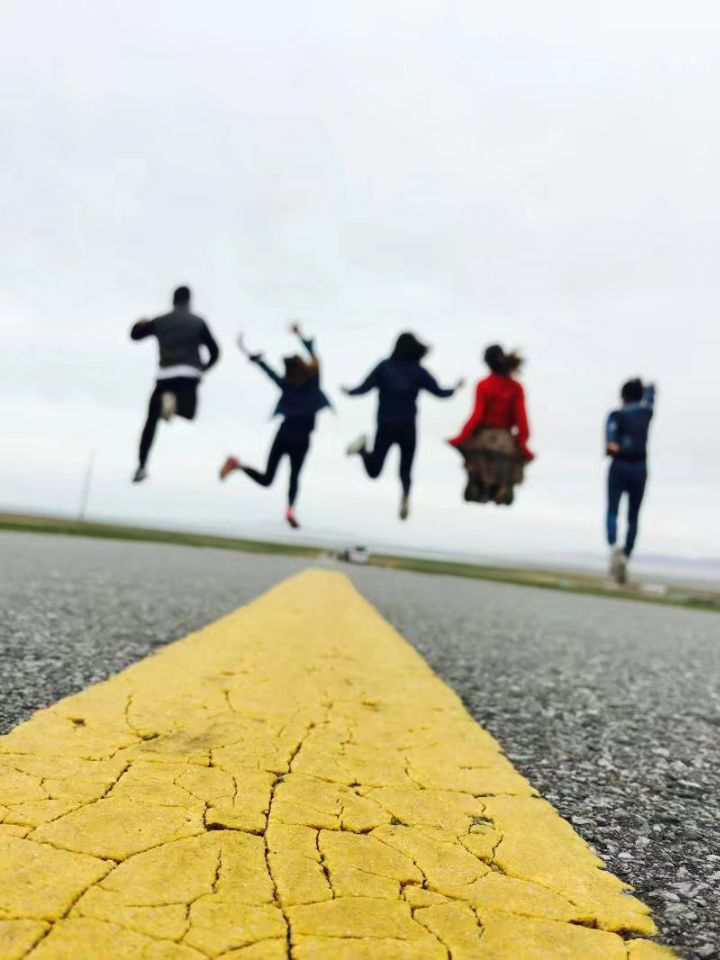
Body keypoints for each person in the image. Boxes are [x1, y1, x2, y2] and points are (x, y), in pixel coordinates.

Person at [219, 322, 330, 529]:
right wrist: (300, 336)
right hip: (301, 439)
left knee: (268, 479)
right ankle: (290, 509)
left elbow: (270, 373)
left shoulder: (288, 384)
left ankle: (238, 466)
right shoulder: (312, 383)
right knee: (293, 478)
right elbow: (315, 358)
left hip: (285, 435)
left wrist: (253, 357)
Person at [342, 332, 463, 521]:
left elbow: (364, 387)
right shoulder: (418, 371)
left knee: (374, 471)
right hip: (407, 427)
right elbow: (439, 392)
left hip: (386, 425)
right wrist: (455, 388)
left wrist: (350, 392)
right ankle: (405, 497)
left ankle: (363, 450)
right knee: (405, 471)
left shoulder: (384, 367)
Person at [130, 285, 220, 483]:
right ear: (189, 301)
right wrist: (203, 369)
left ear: (173, 301)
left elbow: (135, 336)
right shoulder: (198, 322)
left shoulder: (160, 321)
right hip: (189, 375)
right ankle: (170, 407)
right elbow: (215, 352)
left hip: (165, 376)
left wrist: (140, 323)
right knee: (189, 413)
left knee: (151, 420)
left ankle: (142, 465)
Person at [448, 344, 534, 505]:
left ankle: (476, 482)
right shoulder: (516, 388)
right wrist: (522, 442)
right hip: (505, 438)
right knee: (513, 462)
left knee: (471, 457)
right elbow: (522, 419)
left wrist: (462, 436)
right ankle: (504, 486)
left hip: (484, 435)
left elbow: (477, 415)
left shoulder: (483, 384)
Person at [605, 378, 656, 583]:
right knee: (633, 516)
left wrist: (614, 443)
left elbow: (610, 444)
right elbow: (651, 397)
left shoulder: (616, 415)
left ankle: (614, 548)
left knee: (612, 510)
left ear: (623, 397)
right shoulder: (646, 412)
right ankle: (626, 555)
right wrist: (649, 390)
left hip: (620, 465)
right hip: (640, 467)